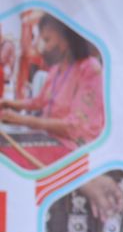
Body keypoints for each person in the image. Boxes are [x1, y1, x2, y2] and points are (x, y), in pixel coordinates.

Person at [0, 12, 105, 153]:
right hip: (50, 140)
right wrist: (8, 103)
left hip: (75, 151)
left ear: (66, 41)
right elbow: (38, 101)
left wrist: (22, 120)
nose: (41, 46)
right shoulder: (56, 69)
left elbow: (76, 126)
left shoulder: (89, 68)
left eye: (47, 40)